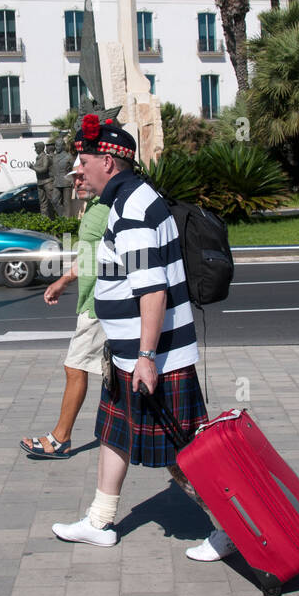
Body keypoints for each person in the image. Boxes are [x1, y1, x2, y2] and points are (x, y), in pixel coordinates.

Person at [50, 113, 233, 562]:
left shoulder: (132, 206)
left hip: (153, 357)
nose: (78, 170)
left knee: (181, 452)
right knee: (113, 432)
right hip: (129, 351)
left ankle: (230, 528)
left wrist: (147, 356)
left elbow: (151, 288)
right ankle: (99, 522)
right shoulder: (130, 199)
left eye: (83, 160)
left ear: (109, 162)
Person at [20, 163, 110, 459]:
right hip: (93, 301)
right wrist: (62, 281)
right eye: (75, 178)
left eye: (82, 176)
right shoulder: (95, 207)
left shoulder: (107, 208)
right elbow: (88, 256)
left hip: (100, 304)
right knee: (115, 373)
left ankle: (61, 438)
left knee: (75, 366)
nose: (76, 183)